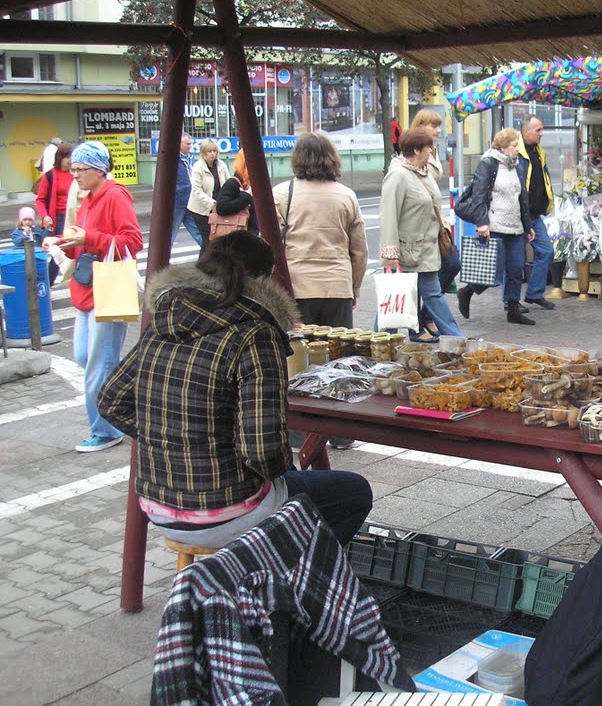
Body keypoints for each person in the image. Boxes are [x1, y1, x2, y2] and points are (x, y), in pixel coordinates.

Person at [98, 231, 373, 548]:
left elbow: (111, 402)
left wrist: (173, 437)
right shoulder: (255, 333)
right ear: (266, 280)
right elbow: (261, 451)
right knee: (354, 491)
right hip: (229, 510)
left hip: (157, 507)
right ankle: (285, 578)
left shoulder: (166, 317)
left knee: (306, 486)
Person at [46, 140, 143, 453]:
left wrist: (88, 237)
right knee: (89, 359)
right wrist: (63, 242)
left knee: (98, 365)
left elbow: (132, 241)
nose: (74, 175)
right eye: (72, 169)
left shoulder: (114, 195)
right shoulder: (89, 197)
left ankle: (105, 429)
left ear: (99, 170)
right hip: (89, 288)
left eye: (80, 169)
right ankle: (121, 414)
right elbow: (86, 240)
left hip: (108, 288)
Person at [273, 133, 368, 328]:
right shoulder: (347, 196)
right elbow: (359, 251)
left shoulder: (282, 194)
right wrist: (354, 288)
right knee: (339, 353)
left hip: (296, 287)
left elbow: (269, 245)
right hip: (337, 286)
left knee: (300, 353)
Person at [379, 127, 465, 337]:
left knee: (426, 296)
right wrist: (390, 254)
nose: (432, 151)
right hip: (408, 251)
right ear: (417, 150)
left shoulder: (424, 173)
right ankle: (380, 341)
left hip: (427, 249)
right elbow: (388, 214)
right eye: (429, 148)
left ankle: (456, 339)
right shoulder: (398, 175)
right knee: (396, 299)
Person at [455, 129, 536, 325]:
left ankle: (513, 309)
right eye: (514, 145)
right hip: (494, 225)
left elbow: (521, 199)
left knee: (516, 269)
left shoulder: (517, 167)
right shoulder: (489, 164)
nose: (518, 149)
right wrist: (482, 223)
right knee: (492, 271)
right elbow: (479, 196)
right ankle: (467, 291)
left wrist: (528, 226)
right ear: (502, 146)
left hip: (515, 226)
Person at [406, 109, 461, 340]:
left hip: (435, 229)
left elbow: (434, 177)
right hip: (417, 234)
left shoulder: (431, 154)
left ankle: (424, 318)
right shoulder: (411, 161)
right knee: (419, 282)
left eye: (439, 126)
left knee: (451, 265)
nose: (438, 130)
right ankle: (418, 324)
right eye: (433, 126)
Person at [518, 115, 557, 309]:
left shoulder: (539, 152)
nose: (542, 133)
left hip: (534, 215)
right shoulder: (516, 152)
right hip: (517, 216)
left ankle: (534, 293)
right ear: (526, 132)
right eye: (538, 130)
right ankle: (509, 302)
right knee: (513, 261)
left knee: (547, 251)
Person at [188, 139, 230, 247]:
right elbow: (197, 190)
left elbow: (228, 183)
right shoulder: (198, 168)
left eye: (214, 151)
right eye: (209, 151)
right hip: (201, 209)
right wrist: (212, 203)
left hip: (218, 206)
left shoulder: (221, 165)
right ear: (203, 153)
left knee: (218, 238)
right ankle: (204, 262)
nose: (212, 154)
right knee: (208, 240)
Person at [214, 148, 260, 234]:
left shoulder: (256, 182)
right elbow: (221, 208)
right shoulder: (233, 183)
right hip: (240, 234)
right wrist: (246, 196)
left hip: (253, 233)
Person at [170, 133, 202, 246]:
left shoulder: (190, 157)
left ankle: (209, 254)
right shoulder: (173, 159)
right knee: (170, 234)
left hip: (191, 200)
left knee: (198, 232)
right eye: (187, 144)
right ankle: (162, 259)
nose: (190, 146)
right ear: (179, 144)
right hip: (178, 202)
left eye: (191, 144)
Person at [36, 142, 74, 235]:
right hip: (58, 217)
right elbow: (40, 200)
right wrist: (45, 216)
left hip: (74, 215)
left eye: (72, 157)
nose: (70, 160)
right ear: (59, 158)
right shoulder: (49, 175)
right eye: (67, 157)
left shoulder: (76, 173)